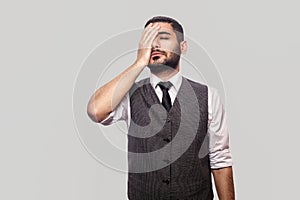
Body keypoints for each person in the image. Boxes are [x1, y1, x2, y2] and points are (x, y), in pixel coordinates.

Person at [87, 16, 235, 200]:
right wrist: (139, 62)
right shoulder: (128, 94)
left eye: (163, 37)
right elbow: (95, 110)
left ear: (183, 47)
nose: (155, 45)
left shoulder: (208, 96)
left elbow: (220, 160)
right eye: (149, 39)